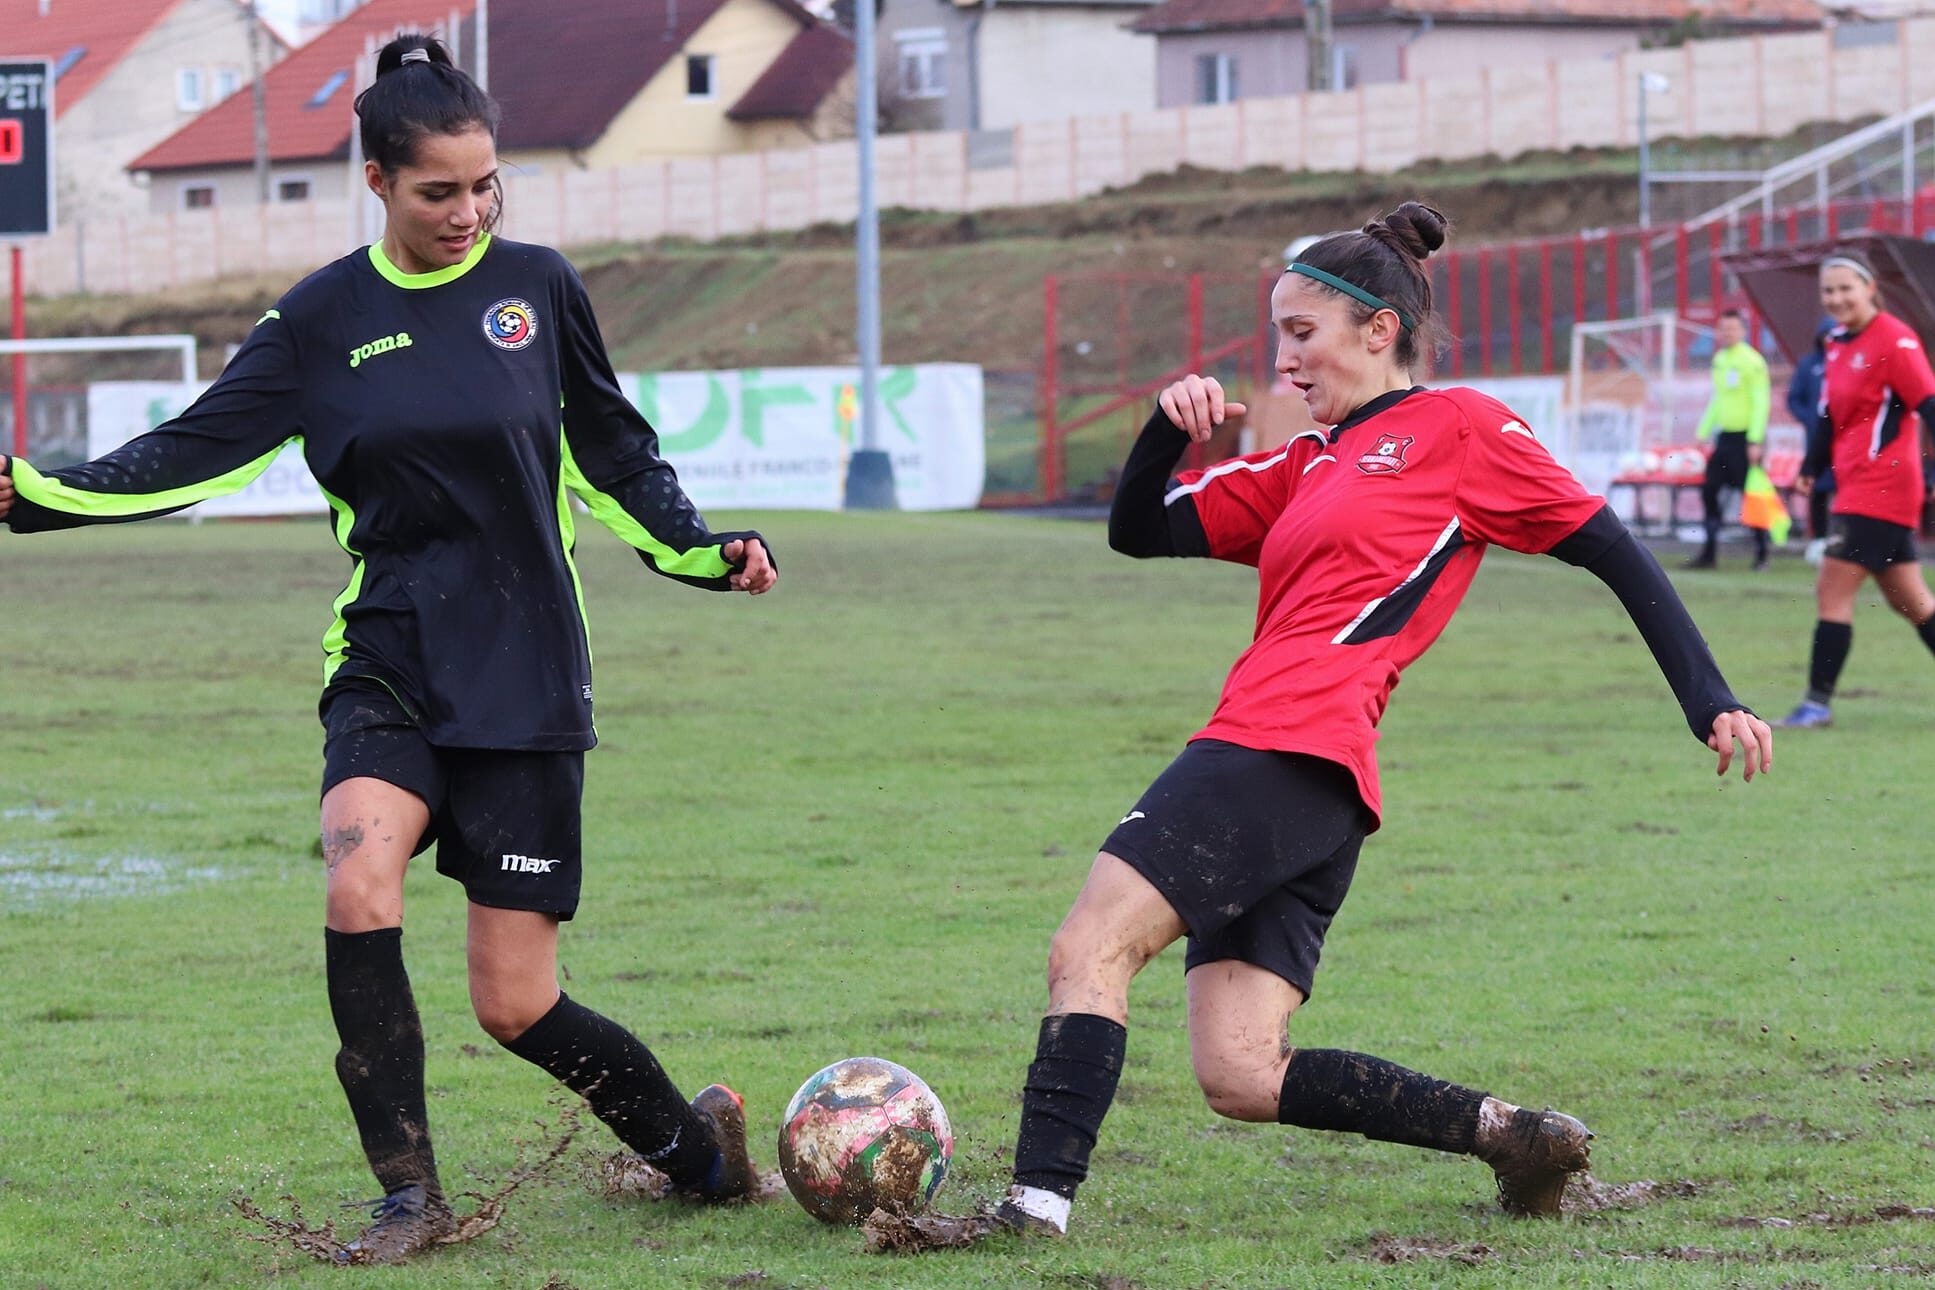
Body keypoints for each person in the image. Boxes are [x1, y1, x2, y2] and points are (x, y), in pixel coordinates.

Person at [0, 35, 776, 1264]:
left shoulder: (540, 287)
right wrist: (36, 497)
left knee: (516, 1004)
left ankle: (696, 1154)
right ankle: (410, 1197)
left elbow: (613, 454)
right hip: (391, 657)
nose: (468, 213)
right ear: (375, 183)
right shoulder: (319, 320)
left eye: (486, 187)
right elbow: (197, 449)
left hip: (525, 671)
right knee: (358, 878)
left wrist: (700, 550)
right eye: (438, 192)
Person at [898, 203, 1771, 1248]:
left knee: (1088, 946)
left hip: (1278, 750)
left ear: (1381, 329)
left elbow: (1610, 546)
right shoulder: (1305, 463)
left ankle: (1031, 1211)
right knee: (1240, 1074)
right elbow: (1140, 531)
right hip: (1307, 778)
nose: (1285, 359)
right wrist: (1164, 434)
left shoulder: (1462, 429)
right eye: (1278, 337)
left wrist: (1707, 695)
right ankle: (1514, 1137)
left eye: (1302, 334)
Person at [1777, 250, 1935, 729]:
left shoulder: (1896, 339)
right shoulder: (1837, 342)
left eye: (1846, 288)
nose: (1837, 298)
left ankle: (1816, 705)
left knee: (1832, 594)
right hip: (1856, 484)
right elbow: (1829, 415)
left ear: (1870, 288)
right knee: (1913, 602)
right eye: (1829, 290)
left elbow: (1929, 405)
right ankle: (1816, 704)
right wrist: (1811, 464)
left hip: (1881, 486)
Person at [1686, 308, 1773, 570]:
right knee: (1709, 490)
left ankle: (1761, 554)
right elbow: (1718, 399)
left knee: (1752, 496)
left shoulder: (1753, 361)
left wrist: (1755, 440)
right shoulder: (1721, 359)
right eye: (1724, 328)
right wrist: (1703, 431)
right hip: (1724, 438)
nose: (1728, 333)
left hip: (1746, 439)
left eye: (1733, 328)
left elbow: (1761, 402)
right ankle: (1709, 553)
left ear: (1743, 331)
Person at [1785, 319, 1835, 562]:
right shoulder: (1809, 365)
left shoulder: (1849, 360)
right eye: (1826, 335)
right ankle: (1819, 539)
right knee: (1818, 488)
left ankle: (1844, 539)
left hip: (1846, 441)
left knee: (1846, 489)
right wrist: (1810, 420)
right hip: (1817, 439)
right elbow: (1794, 398)